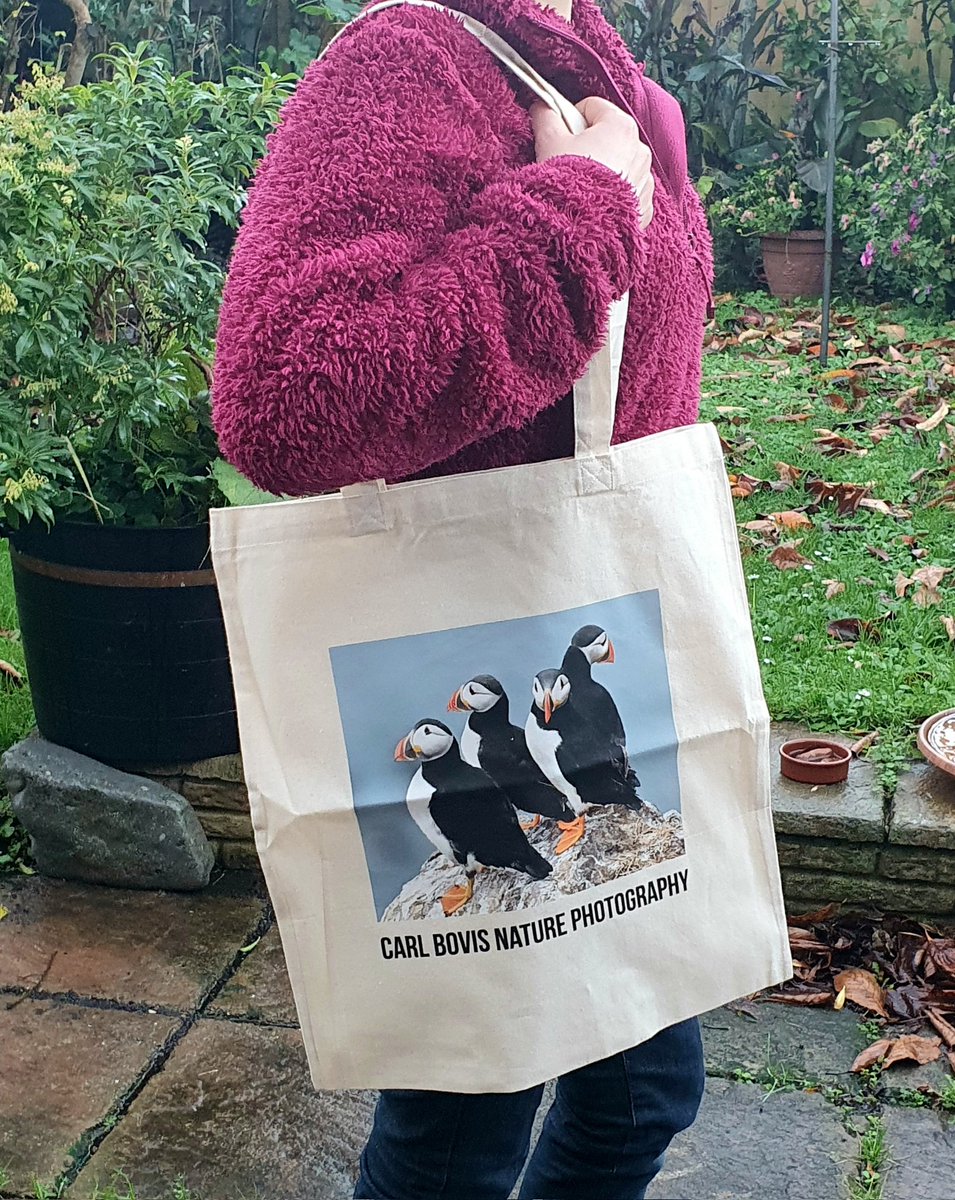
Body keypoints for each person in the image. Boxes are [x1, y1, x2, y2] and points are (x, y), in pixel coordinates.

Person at [212, 0, 713, 1194]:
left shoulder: (590, 54)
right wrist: (581, 205)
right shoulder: (411, 59)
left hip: (608, 638)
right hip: (457, 637)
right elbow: (288, 392)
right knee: (465, 1122)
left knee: (643, 1095)